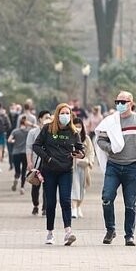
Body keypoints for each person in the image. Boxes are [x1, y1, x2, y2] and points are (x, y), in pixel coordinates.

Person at [95, 90, 136, 247]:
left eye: (123, 102)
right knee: (107, 198)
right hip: (113, 165)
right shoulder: (111, 121)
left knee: (130, 203)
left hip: (132, 166)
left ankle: (129, 235)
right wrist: (110, 148)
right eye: (117, 102)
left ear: (131, 103)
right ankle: (110, 229)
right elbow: (100, 140)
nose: (120, 105)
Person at [33, 103, 85, 246]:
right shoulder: (47, 129)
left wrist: (80, 154)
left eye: (67, 113)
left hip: (66, 171)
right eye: (62, 113)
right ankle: (50, 232)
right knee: (50, 203)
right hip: (49, 170)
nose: (65, 116)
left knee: (65, 200)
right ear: (57, 114)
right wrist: (47, 158)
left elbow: (81, 148)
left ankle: (68, 232)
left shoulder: (74, 132)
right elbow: (36, 146)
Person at [27, 110, 52, 216]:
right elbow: (29, 148)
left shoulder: (52, 132)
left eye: (49, 117)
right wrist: (29, 161)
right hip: (37, 163)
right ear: (40, 119)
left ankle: (45, 208)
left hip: (48, 163)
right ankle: (35, 205)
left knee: (47, 186)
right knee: (35, 185)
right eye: (46, 117)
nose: (48, 119)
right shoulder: (33, 132)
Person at [71, 116, 95, 217]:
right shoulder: (69, 137)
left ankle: (79, 206)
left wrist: (88, 161)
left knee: (82, 189)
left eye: (79, 126)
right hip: (72, 167)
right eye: (75, 126)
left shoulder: (87, 139)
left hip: (84, 168)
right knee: (73, 188)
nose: (77, 128)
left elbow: (91, 152)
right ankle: (74, 209)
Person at [8, 116, 31, 194]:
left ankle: (16, 178)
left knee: (17, 170)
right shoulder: (28, 132)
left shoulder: (15, 131)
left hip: (16, 153)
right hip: (25, 153)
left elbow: (9, 140)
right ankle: (22, 187)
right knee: (24, 171)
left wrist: (14, 141)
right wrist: (31, 124)